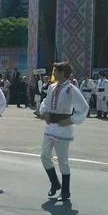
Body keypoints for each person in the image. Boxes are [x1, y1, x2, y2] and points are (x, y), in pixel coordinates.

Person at [39, 62, 89, 201]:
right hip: (50, 126)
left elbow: (83, 107)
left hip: (63, 127)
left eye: (55, 71)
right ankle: (54, 183)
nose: (53, 73)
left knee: (63, 160)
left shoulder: (71, 89)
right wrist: (45, 112)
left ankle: (65, 191)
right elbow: (46, 102)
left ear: (62, 73)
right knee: (44, 155)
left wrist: (71, 119)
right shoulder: (52, 87)